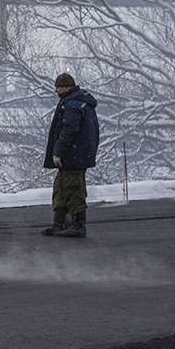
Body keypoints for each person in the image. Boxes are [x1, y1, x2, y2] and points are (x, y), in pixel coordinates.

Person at [42, 73, 100, 238]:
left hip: (74, 155)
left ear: (66, 87)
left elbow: (68, 130)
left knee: (73, 189)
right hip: (77, 154)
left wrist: (58, 151)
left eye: (58, 87)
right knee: (61, 188)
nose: (56, 90)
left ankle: (77, 225)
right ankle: (60, 224)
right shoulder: (80, 102)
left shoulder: (72, 104)